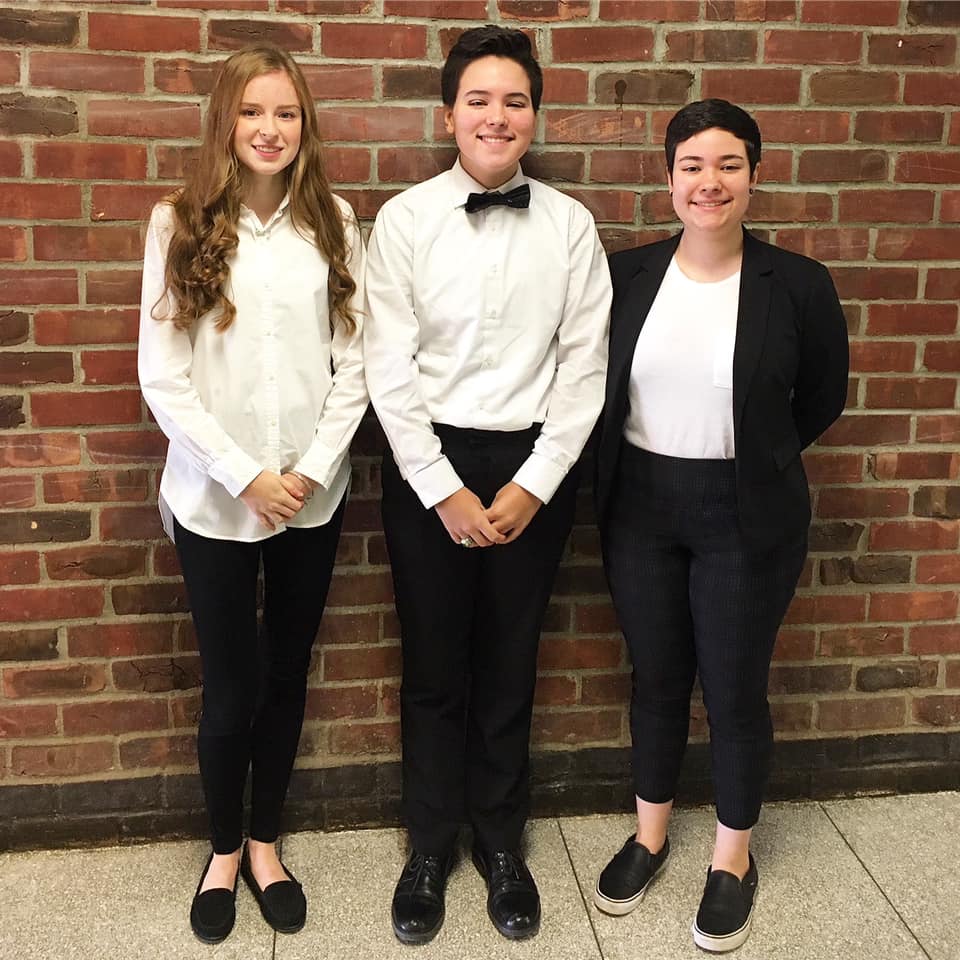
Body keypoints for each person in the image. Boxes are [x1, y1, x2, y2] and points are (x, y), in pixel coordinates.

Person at [363, 24, 611, 946]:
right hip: (429, 469)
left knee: (512, 663)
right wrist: (441, 487)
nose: (496, 116)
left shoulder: (571, 225)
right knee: (432, 669)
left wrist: (538, 481)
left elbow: (585, 370)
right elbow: (386, 368)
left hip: (535, 468)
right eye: (479, 99)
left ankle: (502, 844)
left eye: (514, 100)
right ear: (449, 113)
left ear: (534, 115)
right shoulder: (404, 220)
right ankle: (429, 845)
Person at [593, 99, 849, 953]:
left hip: (747, 514)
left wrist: (754, 457)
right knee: (656, 677)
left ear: (754, 175)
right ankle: (651, 834)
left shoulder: (798, 284)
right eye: (693, 166)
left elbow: (821, 398)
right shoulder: (625, 277)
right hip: (639, 507)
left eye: (729, 164)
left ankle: (732, 859)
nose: (711, 182)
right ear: (667, 179)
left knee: (734, 688)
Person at [137, 44, 367, 944]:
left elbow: (356, 365)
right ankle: (224, 847)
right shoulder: (180, 222)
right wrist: (247, 475)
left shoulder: (335, 223)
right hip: (215, 498)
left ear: (305, 127)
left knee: (287, 672)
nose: (270, 130)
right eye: (252, 113)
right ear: (225, 123)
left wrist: (305, 473)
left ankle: (269, 840)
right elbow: (164, 376)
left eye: (287, 114)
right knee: (231, 686)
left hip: (314, 491)